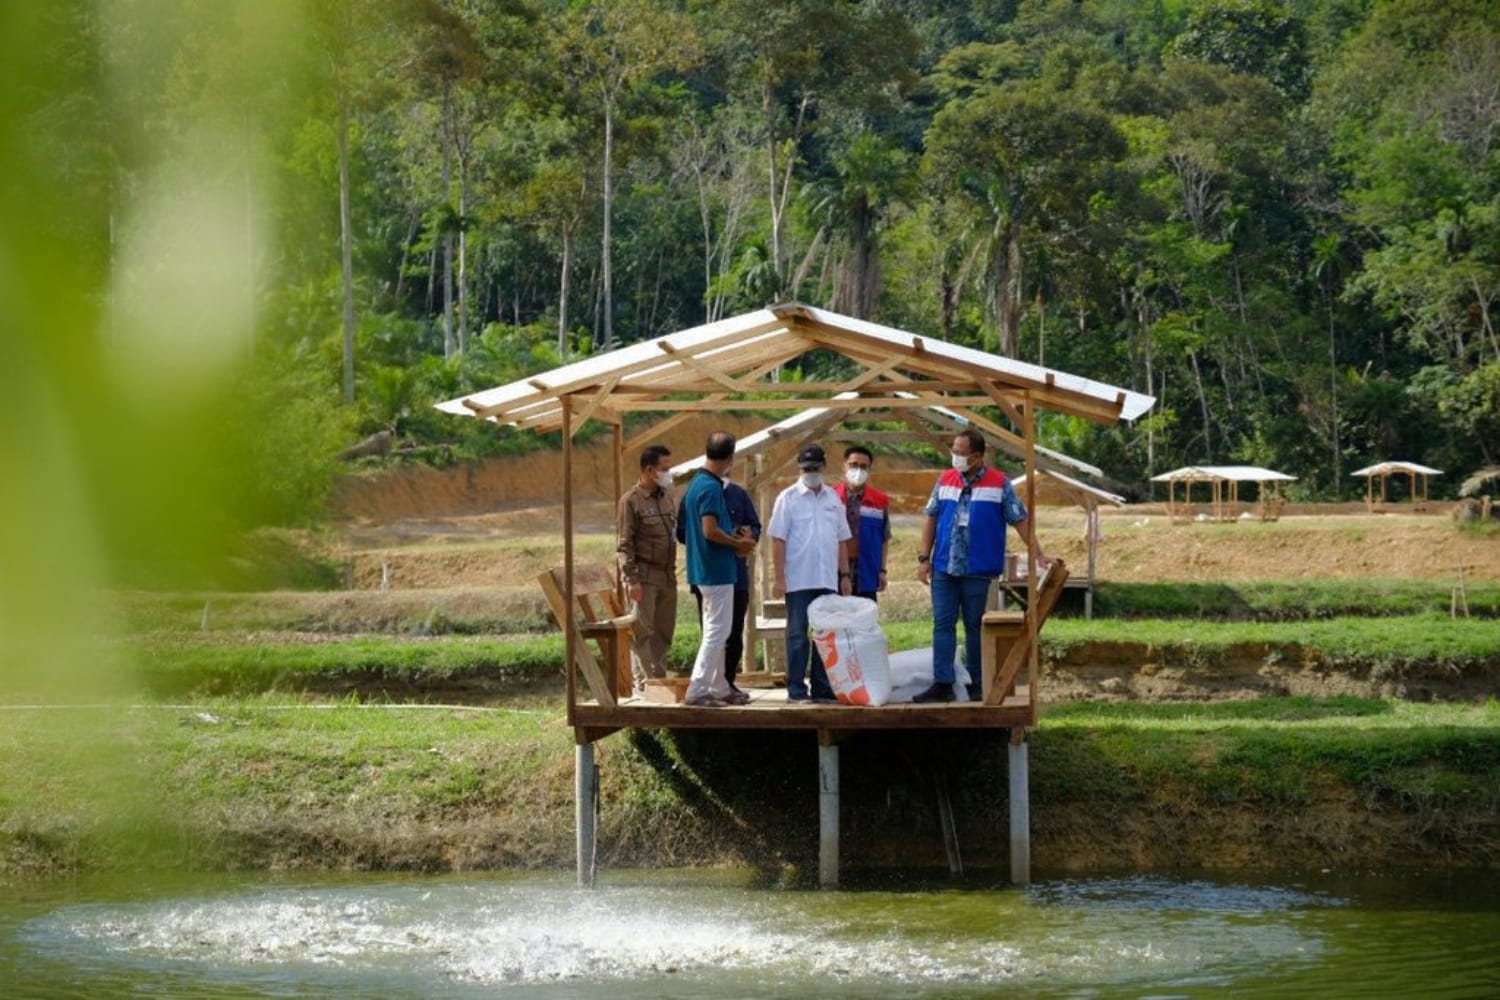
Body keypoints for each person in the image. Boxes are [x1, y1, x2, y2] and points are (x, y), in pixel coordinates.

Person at [914, 429, 1051, 703]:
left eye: (961, 453)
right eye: (954, 450)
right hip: (944, 566)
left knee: (975, 626)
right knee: (942, 624)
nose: (955, 456)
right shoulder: (945, 480)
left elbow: (1019, 520)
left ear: (976, 456)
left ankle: (977, 681)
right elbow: (931, 518)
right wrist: (923, 559)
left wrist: (1038, 553)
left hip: (977, 569)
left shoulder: (999, 483)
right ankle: (943, 682)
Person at [768, 443, 853, 703]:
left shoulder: (833, 499)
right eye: (806, 468)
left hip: (826, 579)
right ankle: (796, 689)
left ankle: (822, 687)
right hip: (798, 579)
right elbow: (778, 539)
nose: (811, 472)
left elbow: (841, 539)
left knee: (825, 635)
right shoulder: (788, 498)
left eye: (815, 468)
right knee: (797, 635)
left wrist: (845, 575)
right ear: (800, 468)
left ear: (823, 467)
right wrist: (779, 578)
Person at [680, 431, 757, 707]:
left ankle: (719, 685)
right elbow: (710, 530)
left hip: (706, 569)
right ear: (729, 458)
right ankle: (697, 689)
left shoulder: (696, 484)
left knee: (718, 630)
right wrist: (739, 542)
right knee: (717, 632)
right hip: (716, 570)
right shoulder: (711, 488)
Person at [615, 444, 678, 695]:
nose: (669, 473)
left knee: (664, 631)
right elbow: (624, 544)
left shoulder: (666, 497)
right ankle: (645, 684)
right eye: (665, 469)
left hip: (667, 575)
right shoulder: (631, 501)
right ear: (650, 470)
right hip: (644, 576)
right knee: (643, 631)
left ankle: (659, 679)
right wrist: (632, 580)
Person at [831, 445, 891, 602]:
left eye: (864, 466)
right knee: (834, 621)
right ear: (844, 467)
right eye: (853, 465)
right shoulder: (830, 498)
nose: (858, 470)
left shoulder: (879, 500)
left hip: (866, 569)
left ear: (869, 470)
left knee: (864, 620)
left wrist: (882, 570)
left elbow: (884, 537)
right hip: (833, 569)